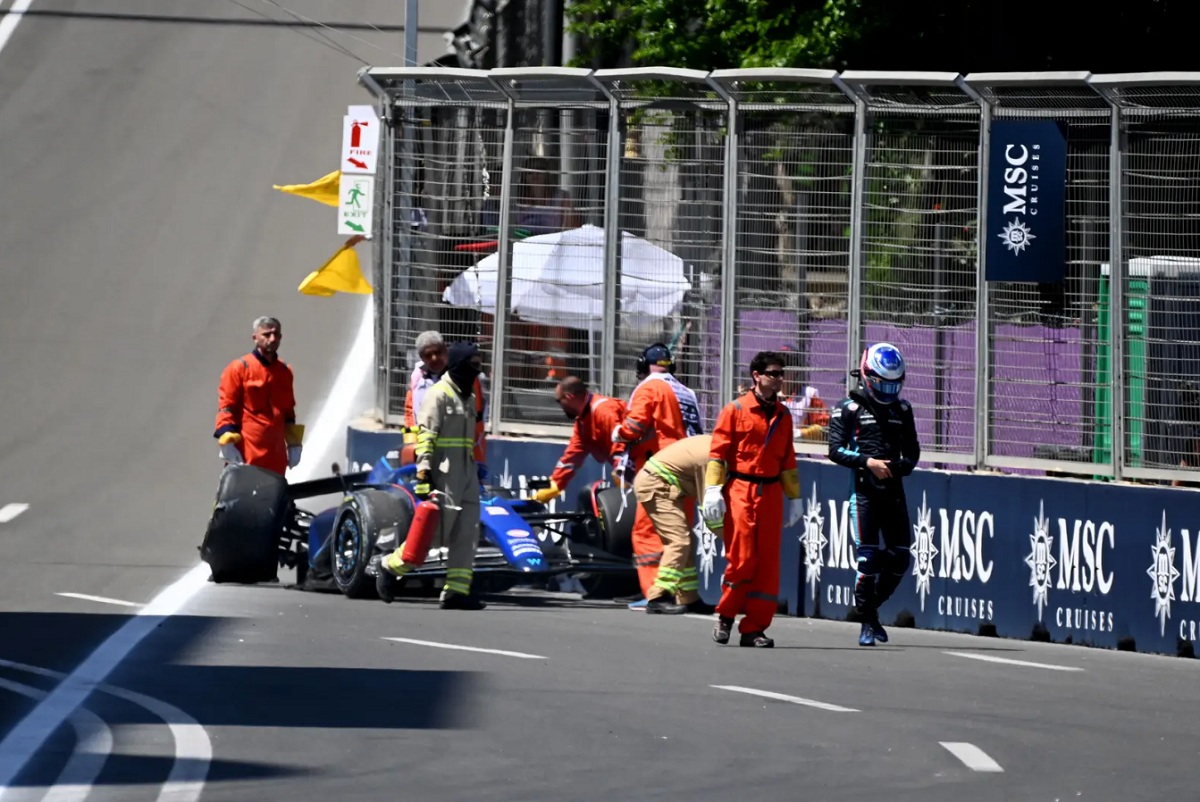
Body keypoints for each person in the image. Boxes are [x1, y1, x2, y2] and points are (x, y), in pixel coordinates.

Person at [702, 351, 803, 648]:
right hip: (741, 490)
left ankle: (754, 628)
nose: (779, 378)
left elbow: (788, 460)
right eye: (773, 372)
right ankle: (725, 615)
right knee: (742, 559)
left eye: (781, 373)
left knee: (768, 564)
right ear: (756, 376)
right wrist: (712, 490)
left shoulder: (783, 415)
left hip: (771, 493)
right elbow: (718, 454)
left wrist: (794, 498)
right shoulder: (735, 410)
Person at [378, 341, 488, 610]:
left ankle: (457, 591)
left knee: (467, 532)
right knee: (435, 535)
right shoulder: (439, 394)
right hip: (443, 472)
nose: (477, 370)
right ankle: (390, 566)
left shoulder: (470, 396)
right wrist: (424, 472)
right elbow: (426, 435)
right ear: (461, 363)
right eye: (473, 364)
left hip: (467, 473)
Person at [827, 342, 921, 647]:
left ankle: (869, 608)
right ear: (868, 377)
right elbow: (835, 451)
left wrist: (899, 466)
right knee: (867, 558)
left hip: (894, 492)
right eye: (883, 384)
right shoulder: (848, 408)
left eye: (895, 385)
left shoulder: (902, 410)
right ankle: (867, 622)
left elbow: (913, 452)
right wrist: (867, 462)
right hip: (864, 492)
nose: (889, 392)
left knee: (900, 559)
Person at [612, 343, 704, 607]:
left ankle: (655, 592)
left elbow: (635, 424)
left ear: (642, 366)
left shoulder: (650, 387)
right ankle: (686, 594)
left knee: (646, 532)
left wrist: (619, 433)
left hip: (661, 471)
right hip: (688, 470)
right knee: (680, 535)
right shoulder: (686, 391)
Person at [634, 433, 714, 614]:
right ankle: (658, 597)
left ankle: (689, 597)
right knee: (678, 542)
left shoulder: (715, 447)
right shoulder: (709, 458)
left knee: (685, 542)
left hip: (662, 484)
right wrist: (732, 541)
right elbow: (708, 507)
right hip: (655, 485)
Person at [214, 316, 303, 476]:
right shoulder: (239, 368)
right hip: (248, 452)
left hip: (276, 455)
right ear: (255, 337)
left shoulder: (284, 371)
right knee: (239, 498)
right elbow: (227, 407)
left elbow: (288, 411)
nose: (272, 339)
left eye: (276, 334)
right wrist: (226, 439)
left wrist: (294, 443)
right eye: (267, 334)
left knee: (273, 497)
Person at [530, 376, 628, 504]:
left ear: (569, 397)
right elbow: (571, 458)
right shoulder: (582, 421)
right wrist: (552, 486)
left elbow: (622, 454)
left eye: (559, 401)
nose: (560, 407)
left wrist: (625, 489)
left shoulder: (603, 412)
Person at [404, 330, 487, 475]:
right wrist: (411, 445)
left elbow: (476, 415)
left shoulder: (464, 375)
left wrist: (474, 453)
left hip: (461, 453)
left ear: (445, 349)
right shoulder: (417, 376)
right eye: (428, 355)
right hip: (426, 450)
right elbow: (410, 412)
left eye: (438, 352)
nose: (434, 358)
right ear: (421, 357)